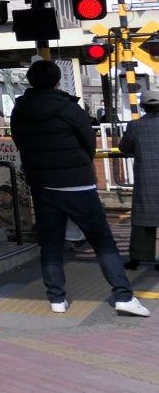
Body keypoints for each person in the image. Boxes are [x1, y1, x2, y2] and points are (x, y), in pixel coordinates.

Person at [10, 60, 148, 317]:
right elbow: (88, 142)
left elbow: (19, 141)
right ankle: (123, 296)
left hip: (41, 184)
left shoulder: (19, 110)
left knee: (50, 244)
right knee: (102, 241)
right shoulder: (70, 108)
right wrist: (81, 163)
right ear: (57, 81)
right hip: (77, 184)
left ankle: (57, 299)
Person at [118, 89, 159, 269]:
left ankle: (138, 259)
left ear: (143, 106)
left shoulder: (135, 126)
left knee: (143, 218)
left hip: (146, 179)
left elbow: (124, 148)